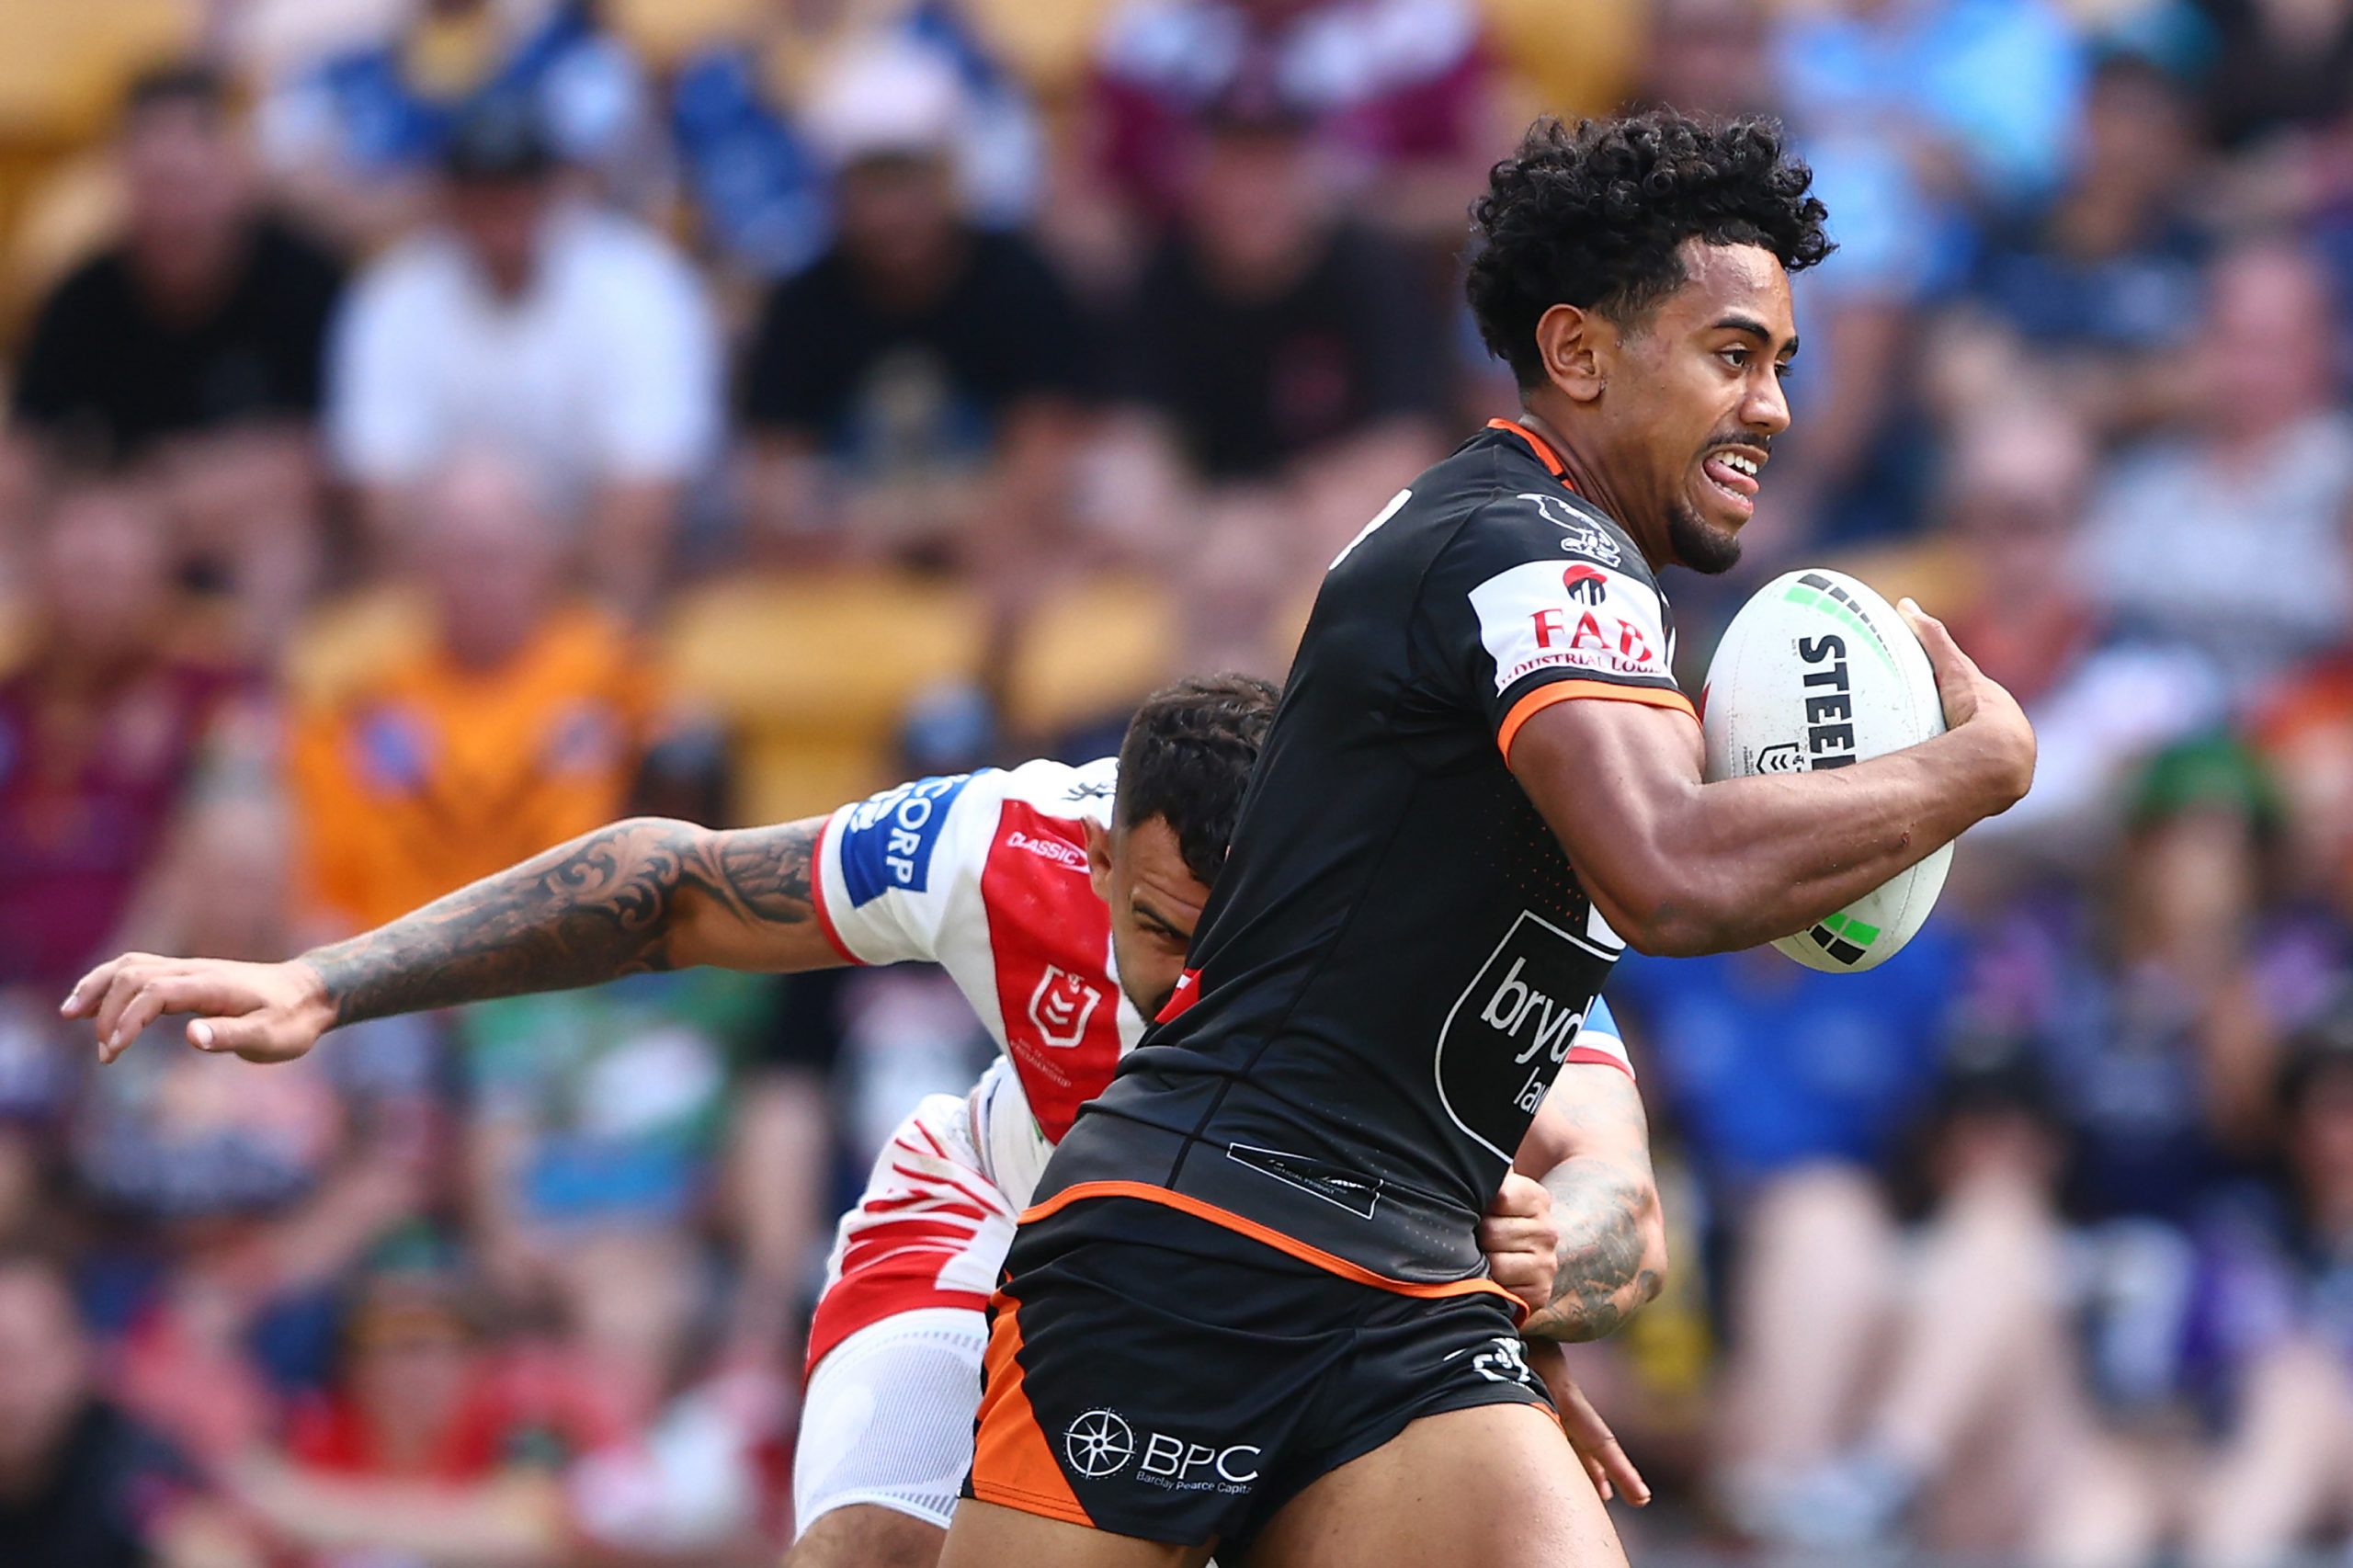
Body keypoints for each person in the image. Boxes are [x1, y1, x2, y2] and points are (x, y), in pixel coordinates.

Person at [908, 110, 2027, 1568]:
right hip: (1199, 1243)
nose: (1775, 409)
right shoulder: (1533, 550)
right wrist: (1976, 767)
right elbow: (1678, 870)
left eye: (1783, 366)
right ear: (1577, 354)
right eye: (1735, 355)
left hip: (1409, 1292)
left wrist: (1540, 1299)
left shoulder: (1566, 588)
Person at [61, 675, 1659, 1567]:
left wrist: (1545, 1267)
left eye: (1253, 945)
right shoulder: (1002, 842)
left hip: (1308, 1311)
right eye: (1170, 934)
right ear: (1102, 858)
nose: (1205, 993)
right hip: (989, 1237)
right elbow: (677, 886)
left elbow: (1613, 1202)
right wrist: (331, 982)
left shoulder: (1436, 921)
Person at [326, 102, 720, 616]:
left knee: (636, 556)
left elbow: (645, 500)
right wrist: (479, 580)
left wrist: (519, 582)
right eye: (481, 191)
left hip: (594, 578)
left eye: (519, 188)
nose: (502, 210)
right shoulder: (392, 295)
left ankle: (610, 679)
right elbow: (382, 506)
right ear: (445, 196)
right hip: (446, 588)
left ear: (557, 189)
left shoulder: (641, 284)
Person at [10, 64, 344, 652]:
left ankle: (256, 724)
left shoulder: (303, 279)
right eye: (153, 184)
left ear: (233, 175)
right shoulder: (82, 296)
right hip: (106, 531)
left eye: (188, 182)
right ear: (121, 185)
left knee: (281, 543)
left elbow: (314, 464)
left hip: (224, 530)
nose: (174, 210)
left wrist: (152, 506)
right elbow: (27, 452)